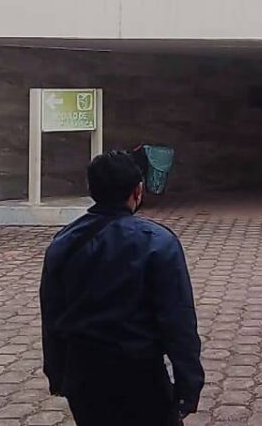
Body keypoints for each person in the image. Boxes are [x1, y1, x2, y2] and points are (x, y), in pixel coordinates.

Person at [41, 151, 204, 425]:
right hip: (141, 374)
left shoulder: (63, 242)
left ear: (92, 190)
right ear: (138, 190)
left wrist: (56, 373)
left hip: (84, 376)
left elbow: (52, 314)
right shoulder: (157, 242)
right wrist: (189, 384)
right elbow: (178, 321)